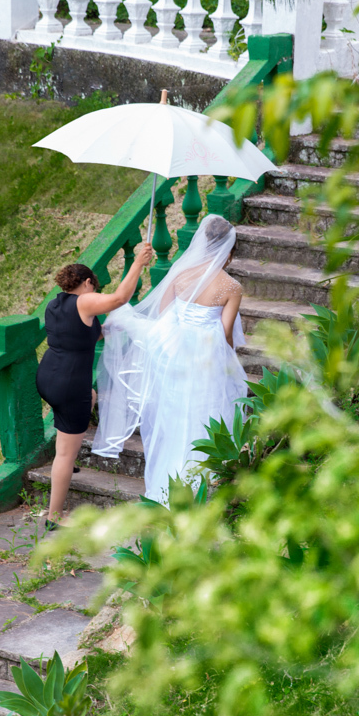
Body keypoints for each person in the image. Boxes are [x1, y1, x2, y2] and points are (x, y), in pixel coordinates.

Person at [93, 215, 247, 505]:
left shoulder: (181, 274)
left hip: (175, 354)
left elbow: (164, 316)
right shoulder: (232, 287)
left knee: (174, 417)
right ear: (229, 251)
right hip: (207, 358)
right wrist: (229, 360)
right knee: (204, 415)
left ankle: (167, 486)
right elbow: (226, 332)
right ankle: (200, 485)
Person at [36, 243, 152, 528]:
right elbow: (120, 297)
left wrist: (106, 331)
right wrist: (138, 262)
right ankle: (54, 516)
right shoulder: (84, 301)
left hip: (48, 376)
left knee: (90, 396)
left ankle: (65, 461)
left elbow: (81, 335)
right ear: (87, 283)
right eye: (94, 287)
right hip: (69, 382)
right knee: (65, 453)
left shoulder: (55, 304)